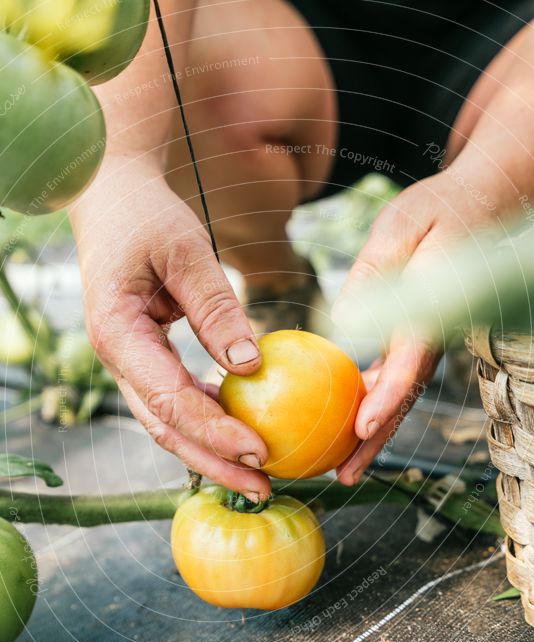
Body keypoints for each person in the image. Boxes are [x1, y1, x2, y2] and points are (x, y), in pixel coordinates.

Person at [71, 0, 534, 500]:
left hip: (513, 34)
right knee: (186, 90)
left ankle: (481, 285)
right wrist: (119, 165)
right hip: (298, 34)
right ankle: (278, 284)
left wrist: (488, 183)